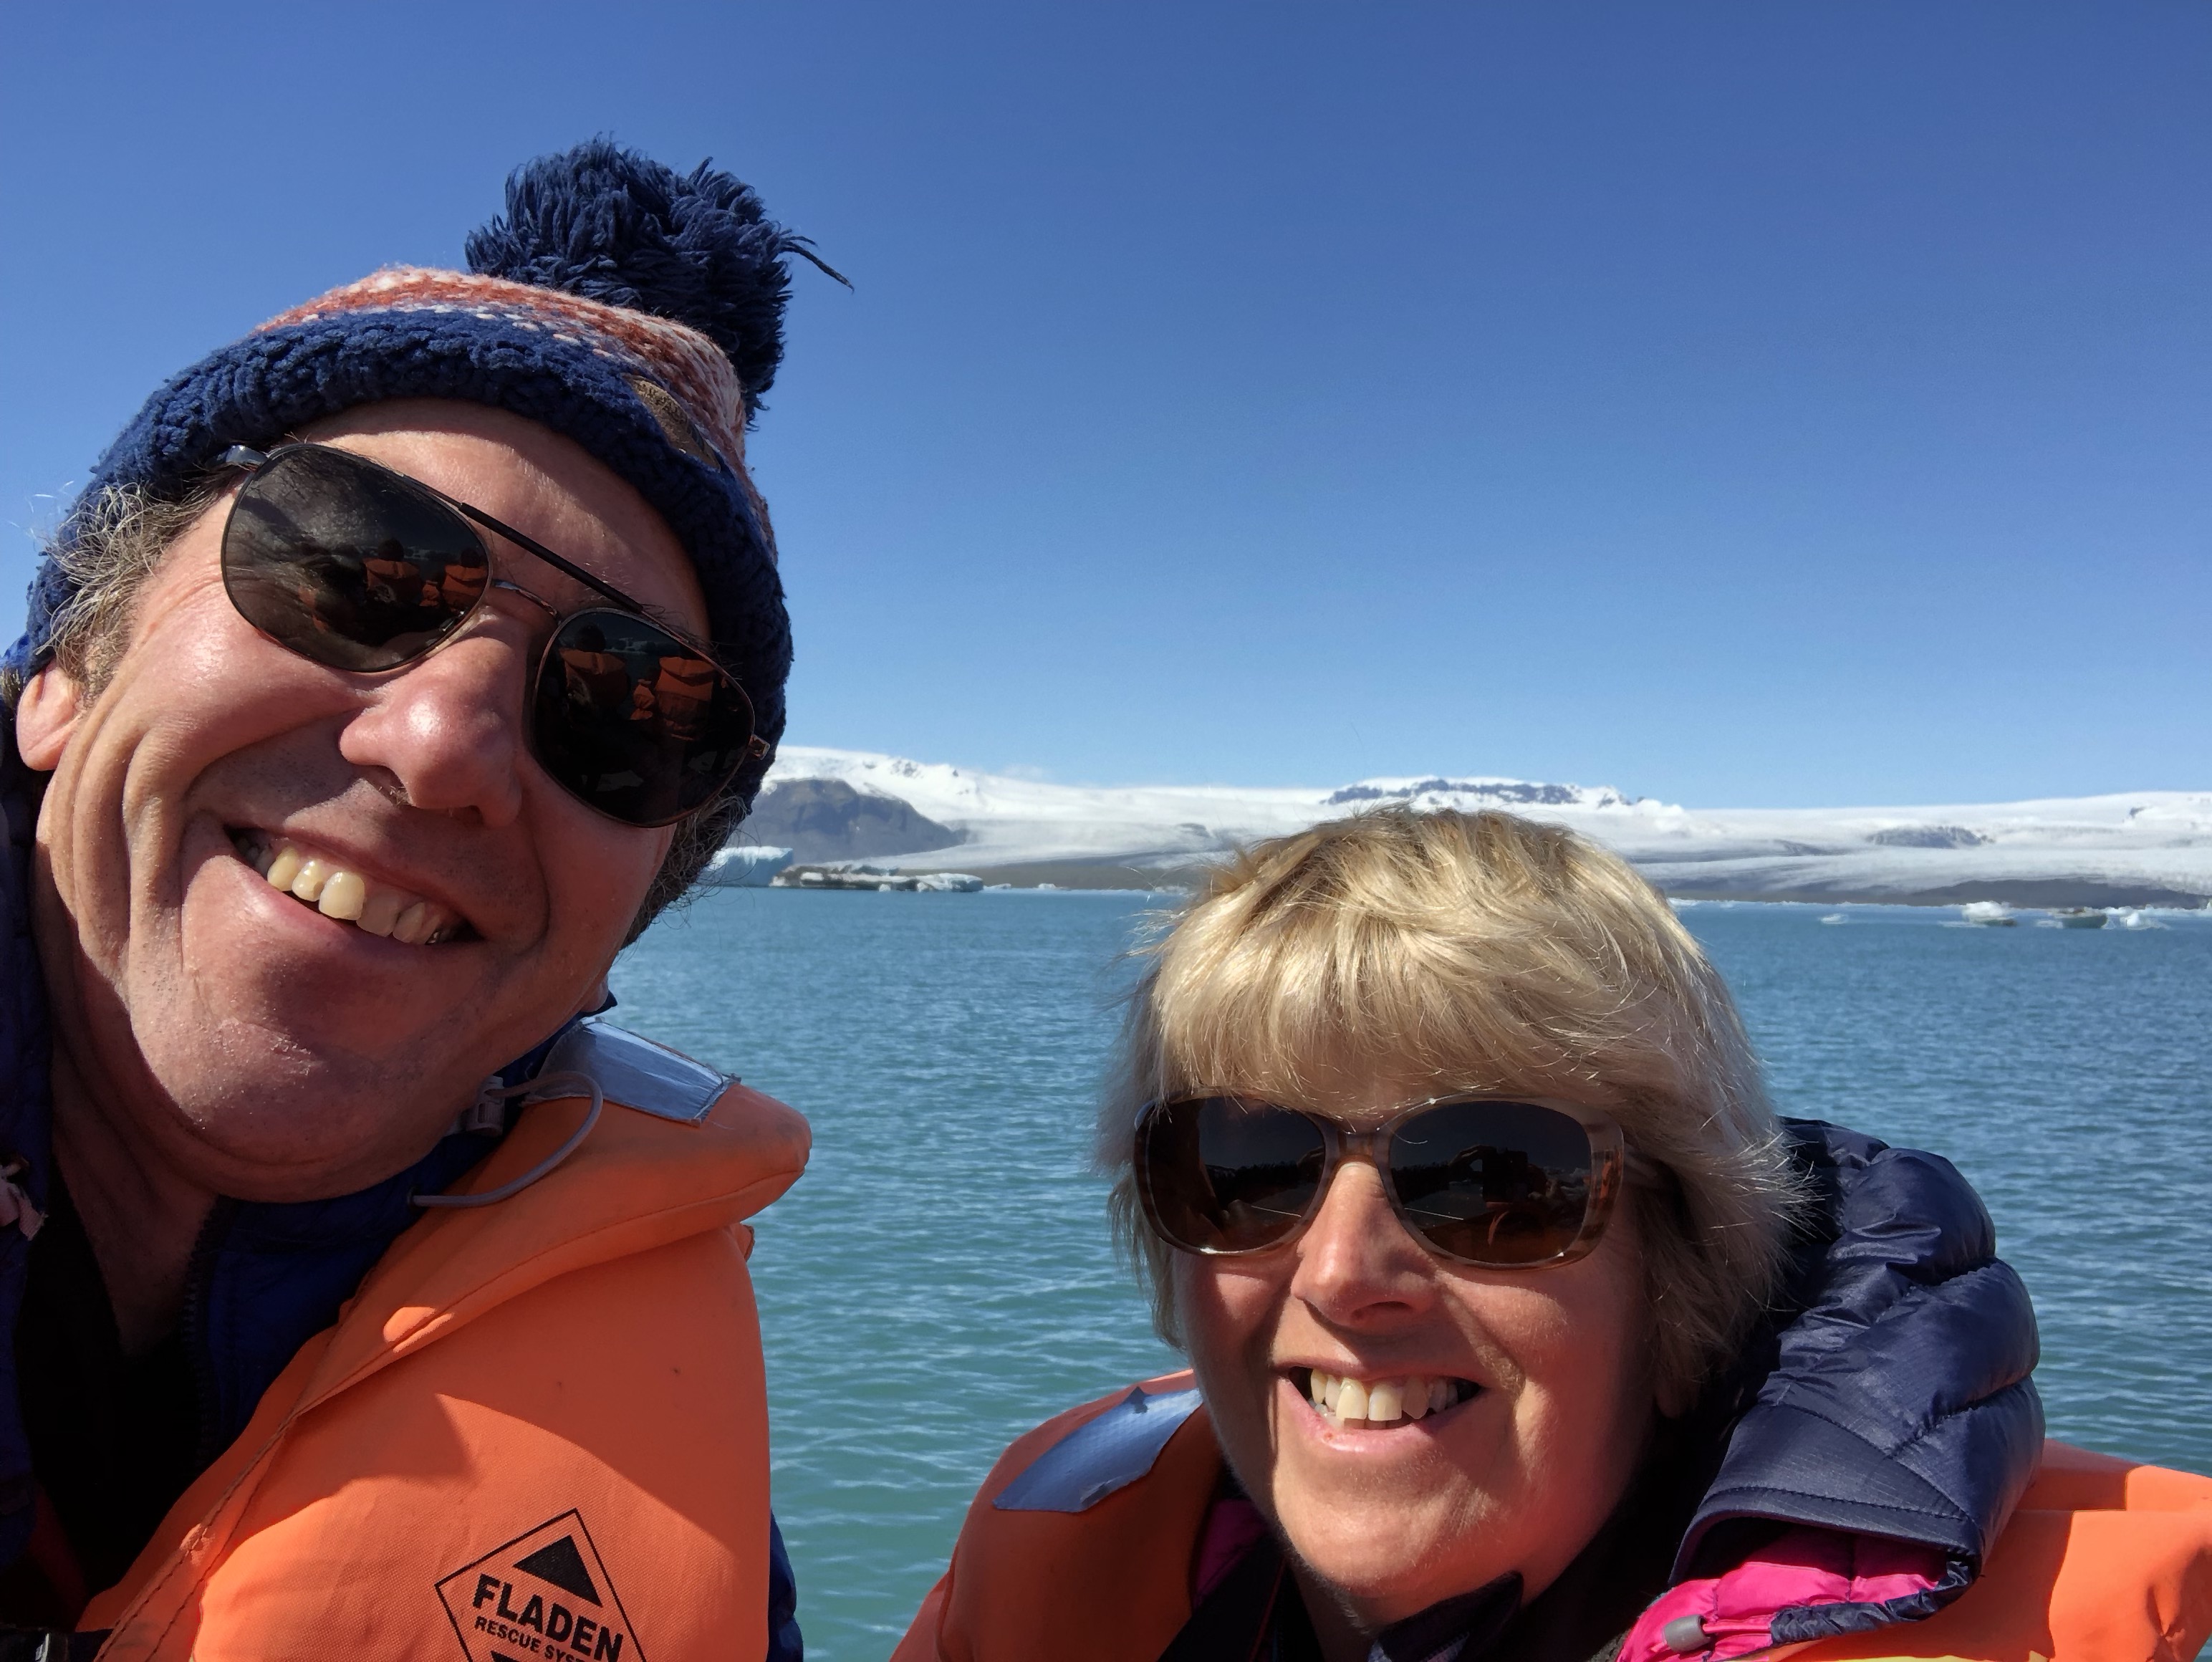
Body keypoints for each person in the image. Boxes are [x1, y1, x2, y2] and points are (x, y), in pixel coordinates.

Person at [0, 140, 843, 1659]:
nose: (444, 743)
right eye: (352, 564)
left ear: (634, 906)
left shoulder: (665, 1476)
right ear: (63, 674)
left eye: (629, 704)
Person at [895, 807, 2212, 1661]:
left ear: (1683, 1275)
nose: (1343, 1273)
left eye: (1493, 1179)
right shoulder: (1043, 1586)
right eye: (1243, 1169)